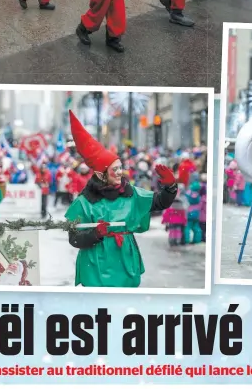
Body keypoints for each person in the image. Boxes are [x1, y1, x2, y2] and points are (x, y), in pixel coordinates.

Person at [65, 111, 178, 288]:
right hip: (95, 266)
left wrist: (170, 187)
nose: (120, 173)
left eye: (120, 168)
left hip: (125, 261)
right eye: (114, 169)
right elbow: (74, 239)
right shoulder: (83, 203)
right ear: (101, 174)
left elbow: (159, 202)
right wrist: (96, 234)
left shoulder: (131, 193)